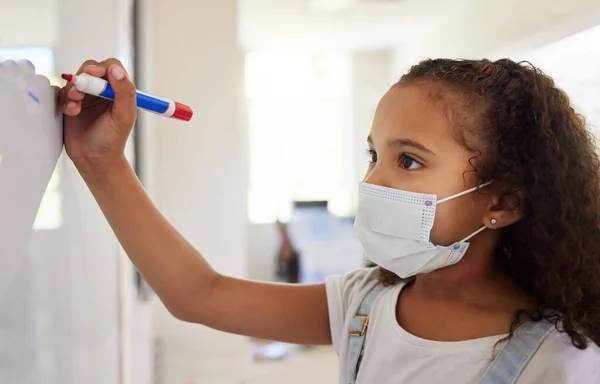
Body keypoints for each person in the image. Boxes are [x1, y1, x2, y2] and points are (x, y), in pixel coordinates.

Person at [60, 58, 600, 383]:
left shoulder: (559, 364)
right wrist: (100, 161)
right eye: (374, 156)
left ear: (502, 202)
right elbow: (198, 294)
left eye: (408, 160)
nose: (373, 182)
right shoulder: (364, 305)